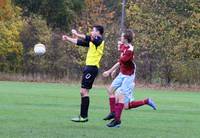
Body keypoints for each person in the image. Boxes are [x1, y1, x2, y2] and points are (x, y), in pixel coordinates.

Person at [102, 30, 156, 128]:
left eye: (122, 37)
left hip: (128, 76)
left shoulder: (130, 51)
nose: (120, 38)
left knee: (122, 97)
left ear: (126, 39)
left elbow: (120, 61)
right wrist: (116, 71)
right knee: (111, 91)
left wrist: (110, 71)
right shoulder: (124, 46)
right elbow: (121, 59)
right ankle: (113, 113)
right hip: (122, 73)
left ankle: (117, 121)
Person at [62, 25, 104, 122]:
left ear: (98, 32)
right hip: (88, 68)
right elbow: (80, 42)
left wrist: (76, 33)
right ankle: (83, 116)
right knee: (83, 92)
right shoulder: (93, 42)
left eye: (93, 30)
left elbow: (89, 38)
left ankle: (83, 116)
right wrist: (68, 38)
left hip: (92, 68)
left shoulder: (99, 41)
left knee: (83, 92)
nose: (92, 32)